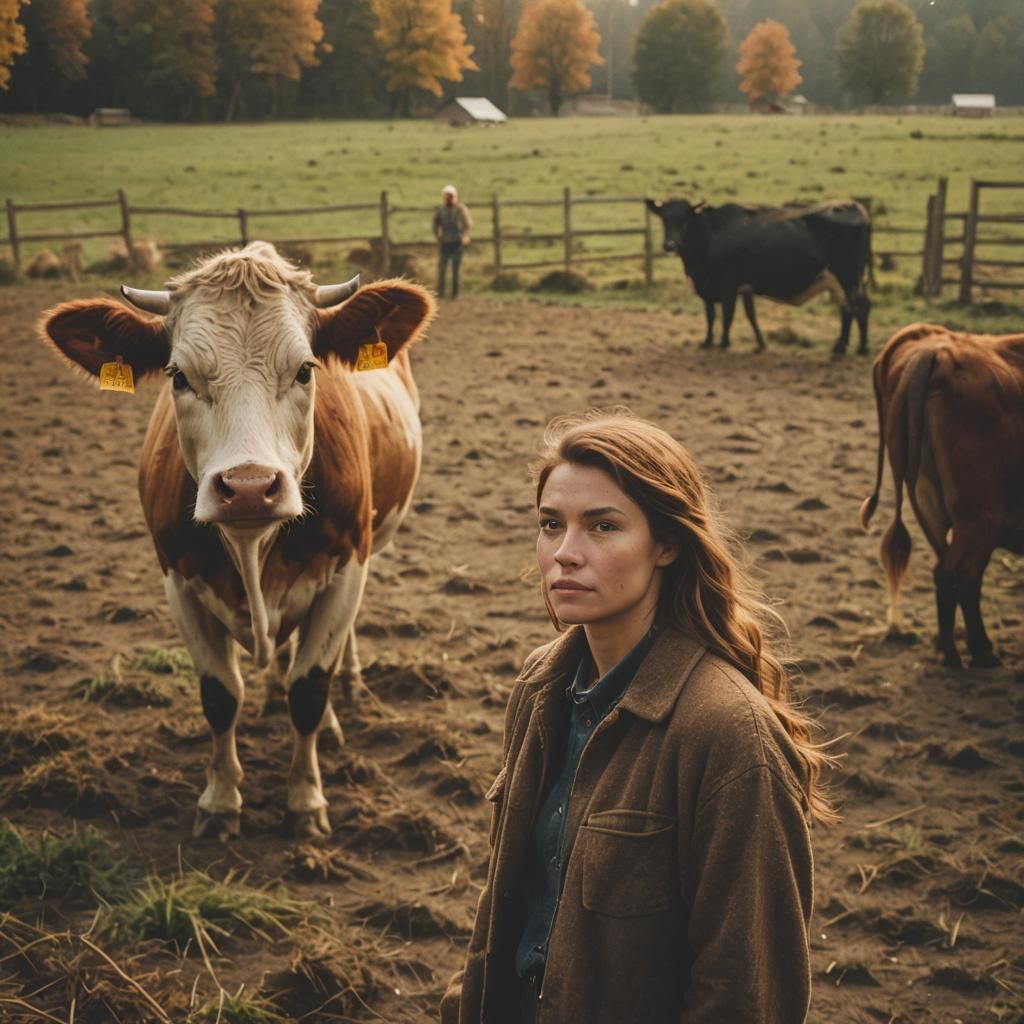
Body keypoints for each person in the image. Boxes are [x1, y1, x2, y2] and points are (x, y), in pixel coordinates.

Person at [440, 410, 835, 1024]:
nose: (565, 554)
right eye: (551, 525)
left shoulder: (729, 734)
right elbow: (512, 907)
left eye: (602, 526)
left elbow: (747, 994)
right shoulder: (541, 687)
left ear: (668, 544)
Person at [433, 184, 472, 299]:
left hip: (457, 242)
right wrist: (438, 235)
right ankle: (440, 293)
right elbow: (435, 224)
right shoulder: (441, 210)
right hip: (445, 242)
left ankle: (454, 294)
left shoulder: (460, 210)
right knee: (442, 269)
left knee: (455, 269)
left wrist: (466, 237)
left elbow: (467, 225)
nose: (448, 199)